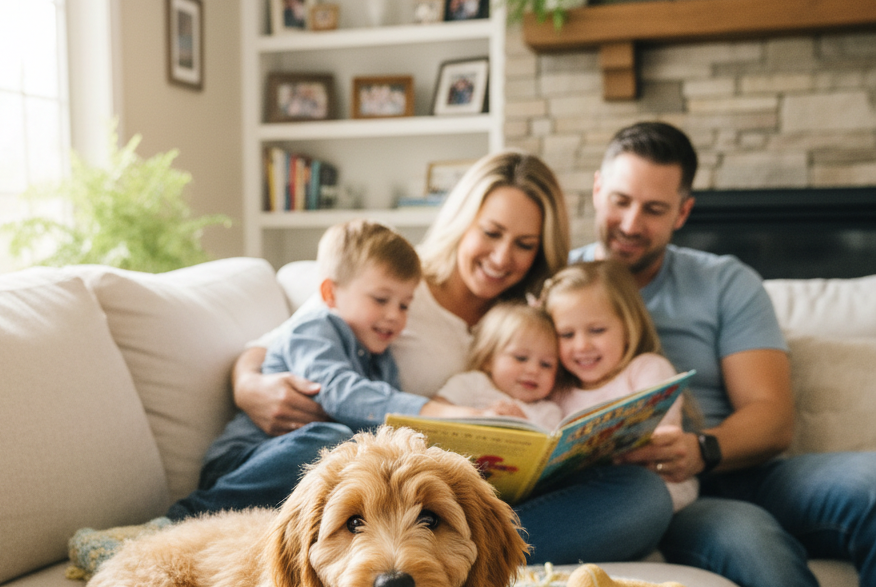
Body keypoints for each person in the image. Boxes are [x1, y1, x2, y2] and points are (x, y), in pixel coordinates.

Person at [572, 120, 876, 587]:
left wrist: (703, 449)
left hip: (736, 464)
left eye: (653, 209)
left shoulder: (722, 282)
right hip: (669, 499)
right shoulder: (564, 286)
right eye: (619, 201)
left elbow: (771, 419)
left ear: (683, 212)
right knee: (757, 550)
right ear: (596, 189)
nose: (629, 223)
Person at [231, 150, 675, 565]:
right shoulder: (398, 288)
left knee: (643, 496)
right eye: (491, 232)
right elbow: (284, 341)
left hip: (477, 490)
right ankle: (460, 556)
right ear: (464, 221)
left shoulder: (532, 316)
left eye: (524, 244)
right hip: (393, 483)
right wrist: (248, 383)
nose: (502, 257)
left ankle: (464, 557)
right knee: (327, 453)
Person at [167, 220, 483, 520]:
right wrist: (438, 413)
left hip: (303, 475)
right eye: (381, 299)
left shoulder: (382, 359)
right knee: (334, 441)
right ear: (330, 293)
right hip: (245, 463)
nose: (394, 316)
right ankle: (189, 514)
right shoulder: (312, 331)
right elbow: (340, 392)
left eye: (404, 305)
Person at [541, 260, 697, 512]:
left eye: (597, 330)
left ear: (628, 326)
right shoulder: (556, 389)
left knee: (639, 493)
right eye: (567, 335)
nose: (581, 346)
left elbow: (660, 428)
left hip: (653, 490)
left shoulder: (646, 369)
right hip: (586, 497)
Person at [435, 302, 563, 428]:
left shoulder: (549, 412)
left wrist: (523, 426)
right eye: (521, 358)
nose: (534, 370)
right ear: (488, 359)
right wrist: (480, 416)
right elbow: (434, 410)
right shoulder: (472, 384)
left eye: (546, 364)